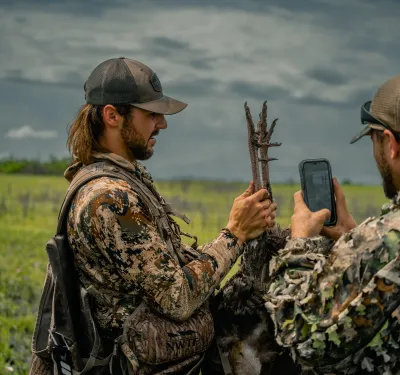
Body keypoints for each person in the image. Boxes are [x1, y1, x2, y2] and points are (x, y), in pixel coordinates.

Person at [29, 57, 277, 375]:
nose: (162, 124)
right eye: (151, 115)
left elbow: (160, 270)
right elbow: (176, 298)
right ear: (112, 116)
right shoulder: (111, 200)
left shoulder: (120, 178)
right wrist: (235, 234)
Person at [266, 71, 400, 374]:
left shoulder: (387, 239)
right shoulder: (385, 239)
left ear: (391, 143)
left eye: (375, 139)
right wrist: (351, 239)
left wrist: (300, 245)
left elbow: (302, 337)